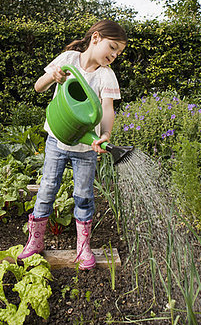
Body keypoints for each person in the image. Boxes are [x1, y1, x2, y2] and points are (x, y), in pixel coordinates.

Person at [17, 19, 127, 270]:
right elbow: (38, 87)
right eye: (112, 47)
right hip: (57, 139)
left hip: (86, 148)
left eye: (118, 53)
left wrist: (106, 135)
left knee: (84, 195)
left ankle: (83, 246)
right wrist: (53, 76)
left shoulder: (106, 74)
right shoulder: (68, 59)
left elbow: (108, 109)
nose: (114, 55)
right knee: (46, 189)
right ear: (96, 38)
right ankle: (35, 241)